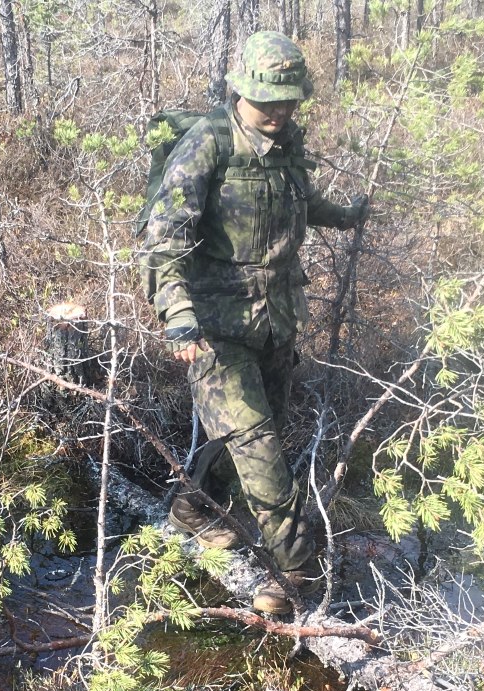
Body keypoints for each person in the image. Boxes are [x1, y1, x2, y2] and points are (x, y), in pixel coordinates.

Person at [140, 31, 369, 616]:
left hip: (277, 321)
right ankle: (297, 577)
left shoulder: (289, 141)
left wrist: (341, 216)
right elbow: (163, 240)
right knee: (260, 448)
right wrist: (179, 314)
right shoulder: (207, 146)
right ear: (240, 90)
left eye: (289, 100)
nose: (279, 111)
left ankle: (192, 510)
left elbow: (297, 201)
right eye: (269, 100)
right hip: (215, 328)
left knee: (244, 433)